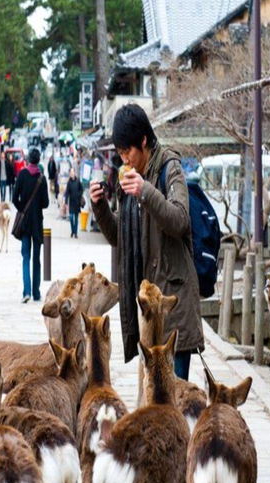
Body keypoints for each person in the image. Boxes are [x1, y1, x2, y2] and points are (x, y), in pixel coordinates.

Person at [89, 103, 204, 380]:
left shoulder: (169, 167)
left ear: (143, 140)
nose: (124, 159)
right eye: (119, 153)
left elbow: (180, 220)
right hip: (146, 308)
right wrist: (101, 207)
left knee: (173, 397)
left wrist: (146, 191)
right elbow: (120, 237)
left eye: (127, 151)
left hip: (171, 304)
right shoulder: (129, 178)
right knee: (152, 403)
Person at [13, 148, 49, 303]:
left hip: (25, 224)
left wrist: (22, 209)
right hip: (37, 223)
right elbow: (46, 203)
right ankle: (36, 292)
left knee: (25, 257)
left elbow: (14, 197)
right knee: (36, 259)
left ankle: (26, 291)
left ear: (28, 160)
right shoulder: (42, 178)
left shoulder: (21, 175)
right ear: (39, 161)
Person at [64, 169, 83, 238]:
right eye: (71, 172)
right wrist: (66, 201)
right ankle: (72, 231)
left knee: (76, 218)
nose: (72, 173)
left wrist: (79, 194)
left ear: (74, 173)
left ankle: (75, 233)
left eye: (73, 172)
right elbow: (67, 193)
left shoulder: (78, 181)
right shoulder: (69, 182)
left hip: (77, 202)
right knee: (71, 217)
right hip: (71, 202)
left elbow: (81, 189)